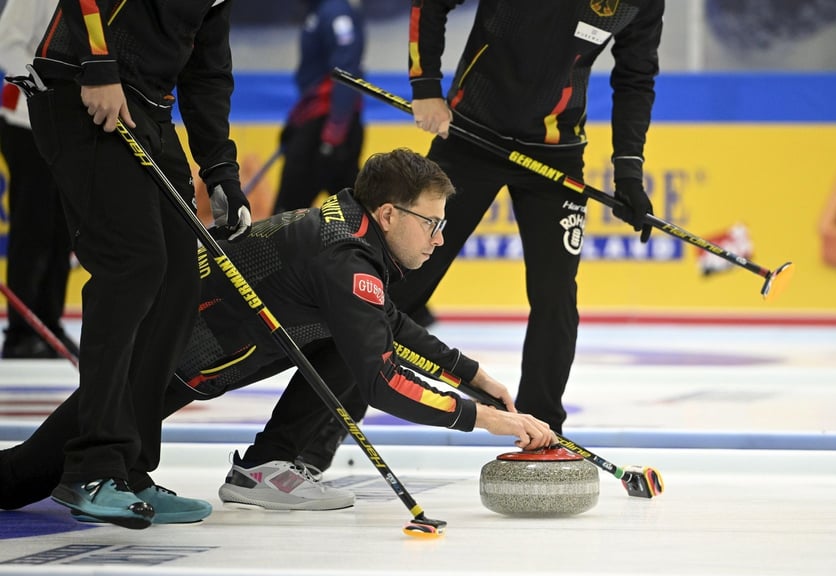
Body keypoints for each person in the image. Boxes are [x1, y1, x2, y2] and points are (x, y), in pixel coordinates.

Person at [0, 148, 556, 514]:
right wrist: (488, 420)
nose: (438, 239)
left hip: (188, 356)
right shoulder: (345, 260)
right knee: (24, 476)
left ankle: (272, 464)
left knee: (355, 340)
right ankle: (268, 467)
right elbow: (382, 382)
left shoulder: (351, 237)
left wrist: (473, 375)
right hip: (162, 358)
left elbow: (381, 321)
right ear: (389, 216)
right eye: (431, 223)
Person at [8, 0, 253, 529]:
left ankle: (130, 469)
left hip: (149, 106)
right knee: (133, 265)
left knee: (179, 285)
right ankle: (93, 467)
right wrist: (97, 64)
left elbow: (209, 70)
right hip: (81, 88)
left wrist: (220, 169)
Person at [395, 0, 663, 432]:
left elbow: (636, 75)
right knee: (403, 285)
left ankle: (542, 430)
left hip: (555, 154)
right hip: (470, 137)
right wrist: (426, 85)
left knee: (556, 297)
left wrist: (628, 170)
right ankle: (309, 436)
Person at [0, 0, 78, 360]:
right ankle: (21, 328)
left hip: (70, 123)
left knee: (64, 226)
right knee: (33, 224)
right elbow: (7, 42)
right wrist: (44, 88)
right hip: (26, 120)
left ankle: (49, 321)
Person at [273, 0, 366, 213]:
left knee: (284, 218)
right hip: (315, 121)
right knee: (354, 214)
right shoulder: (318, 11)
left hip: (327, 125)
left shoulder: (337, 12)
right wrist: (295, 123)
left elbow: (346, 73)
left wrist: (334, 132)